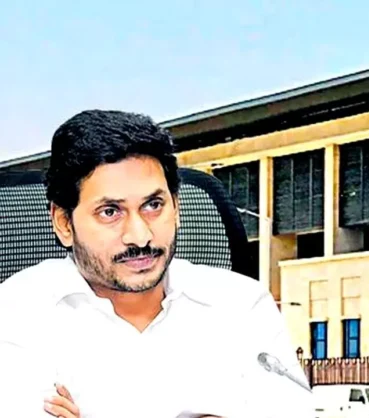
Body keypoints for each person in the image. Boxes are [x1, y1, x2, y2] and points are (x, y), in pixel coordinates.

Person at [0, 110, 314, 417]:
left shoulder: (241, 303)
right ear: (63, 223)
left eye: (153, 205)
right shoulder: (16, 311)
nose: (140, 236)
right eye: (110, 212)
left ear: (176, 206)